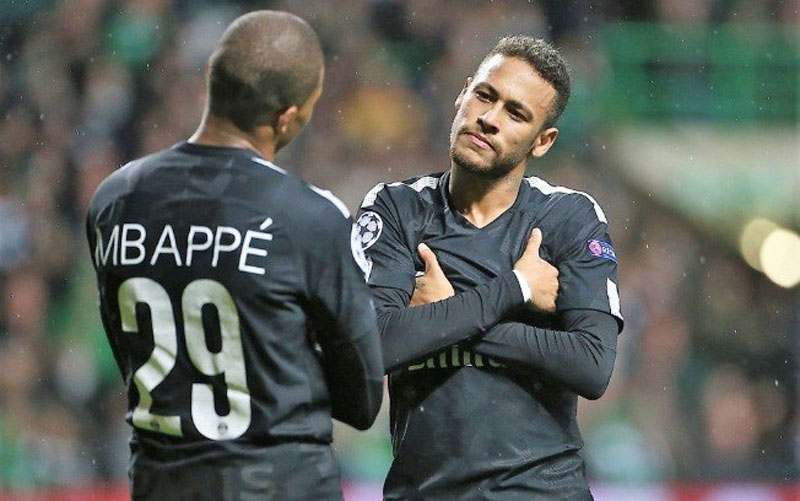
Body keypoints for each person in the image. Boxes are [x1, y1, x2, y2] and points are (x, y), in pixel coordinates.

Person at [86, 11, 384, 501]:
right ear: (288, 116)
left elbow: (132, 347)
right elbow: (361, 397)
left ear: (211, 81)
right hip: (281, 483)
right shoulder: (308, 217)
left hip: (161, 484)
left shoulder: (114, 199)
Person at [355, 35, 623, 499]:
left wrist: (446, 316)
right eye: (485, 95)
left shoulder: (568, 219)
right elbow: (374, 345)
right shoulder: (397, 209)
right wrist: (513, 290)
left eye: (516, 113)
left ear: (543, 141)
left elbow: (592, 365)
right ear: (463, 93)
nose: (490, 119)